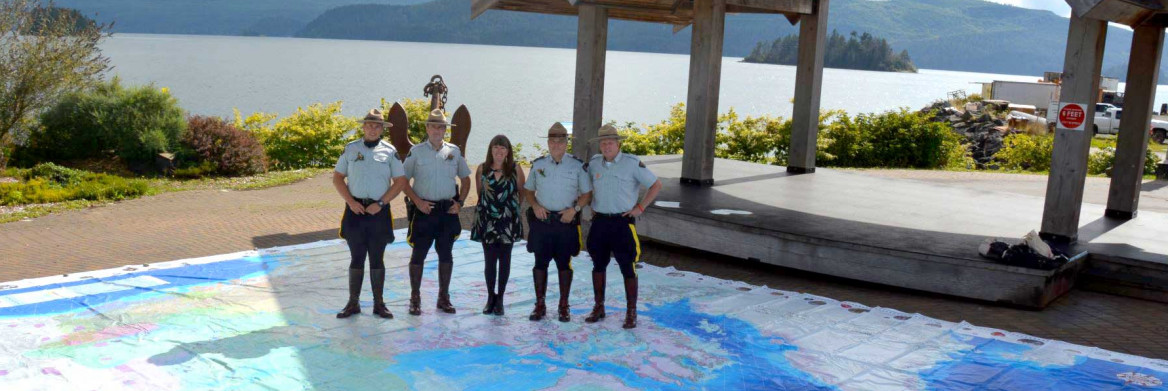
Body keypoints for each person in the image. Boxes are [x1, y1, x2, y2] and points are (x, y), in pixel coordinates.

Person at [584, 124, 662, 329]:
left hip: (622, 222)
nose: (606, 146)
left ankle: (631, 313)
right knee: (598, 265)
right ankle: (598, 307)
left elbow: (656, 185)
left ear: (618, 144)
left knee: (628, 267)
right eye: (603, 142)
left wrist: (641, 207)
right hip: (600, 221)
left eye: (610, 142)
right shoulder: (594, 164)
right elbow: (587, 186)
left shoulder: (632, 163)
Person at [332, 108, 407, 319]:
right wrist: (350, 201)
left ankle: (379, 304)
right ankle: (353, 303)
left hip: (378, 212)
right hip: (355, 211)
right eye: (369, 125)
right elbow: (338, 178)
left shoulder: (390, 152)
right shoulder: (350, 149)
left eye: (377, 126)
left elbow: (400, 181)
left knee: (377, 258)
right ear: (363, 127)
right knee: (356, 258)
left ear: (382, 129)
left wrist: (382, 203)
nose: (373, 129)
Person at [402, 109, 471, 316]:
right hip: (424, 211)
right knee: (418, 256)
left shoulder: (454, 152)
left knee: (446, 255)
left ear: (444, 130)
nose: (437, 130)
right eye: (433, 126)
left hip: (446, 212)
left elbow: (466, 180)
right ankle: (415, 298)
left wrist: (460, 203)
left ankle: (444, 297)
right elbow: (402, 180)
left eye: (441, 126)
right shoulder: (416, 152)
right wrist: (417, 201)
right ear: (427, 128)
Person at [523, 122, 591, 322]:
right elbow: (528, 190)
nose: (556, 145)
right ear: (548, 143)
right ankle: (540, 305)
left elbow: (587, 194)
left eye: (560, 141)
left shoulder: (577, 165)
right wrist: (534, 205)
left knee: (564, 264)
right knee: (539, 264)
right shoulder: (538, 164)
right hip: (542, 222)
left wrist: (575, 209)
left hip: (565, 221)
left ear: (567, 143)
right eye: (552, 141)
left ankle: (563, 305)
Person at [470, 135, 526, 316]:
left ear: (508, 151)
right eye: (496, 147)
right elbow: (480, 194)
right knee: (489, 261)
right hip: (487, 220)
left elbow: (521, 194)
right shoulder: (482, 169)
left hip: (508, 221)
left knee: (505, 260)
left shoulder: (516, 169)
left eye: (503, 148)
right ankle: (490, 297)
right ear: (490, 150)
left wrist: (509, 211)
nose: (499, 151)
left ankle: (500, 298)